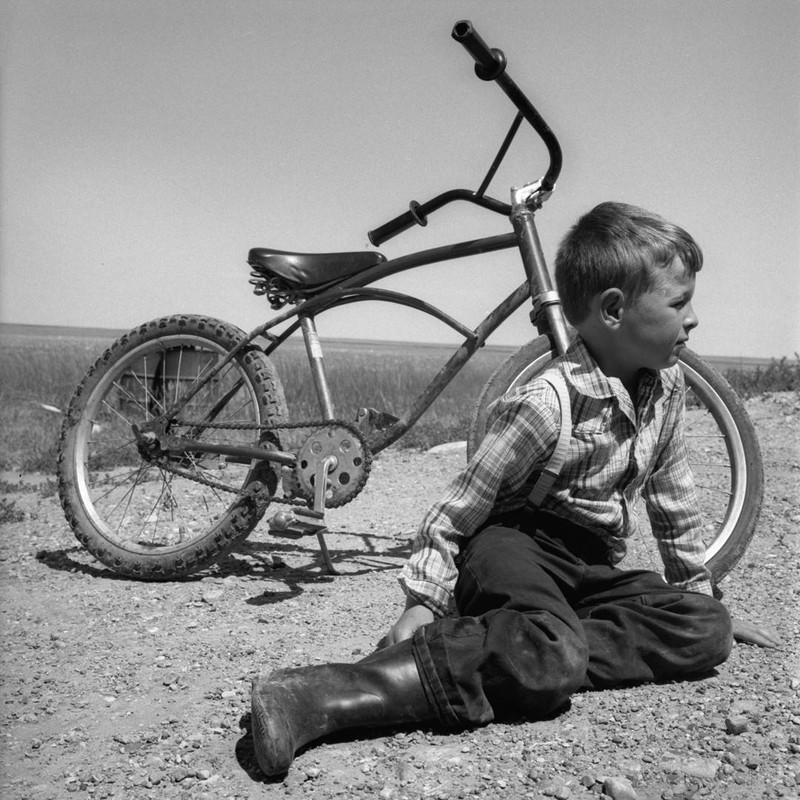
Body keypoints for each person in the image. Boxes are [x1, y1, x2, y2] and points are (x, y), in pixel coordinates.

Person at [250, 201, 778, 777]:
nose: (694, 317)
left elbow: (673, 504)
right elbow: (457, 509)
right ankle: (321, 692)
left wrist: (700, 599)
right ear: (613, 310)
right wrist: (423, 600)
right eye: (680, 302)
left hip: (587, 565)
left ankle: (531, 642)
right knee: (550, 655)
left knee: (703, 632)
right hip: (512, 547)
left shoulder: (667, 389)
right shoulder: (545, 404)